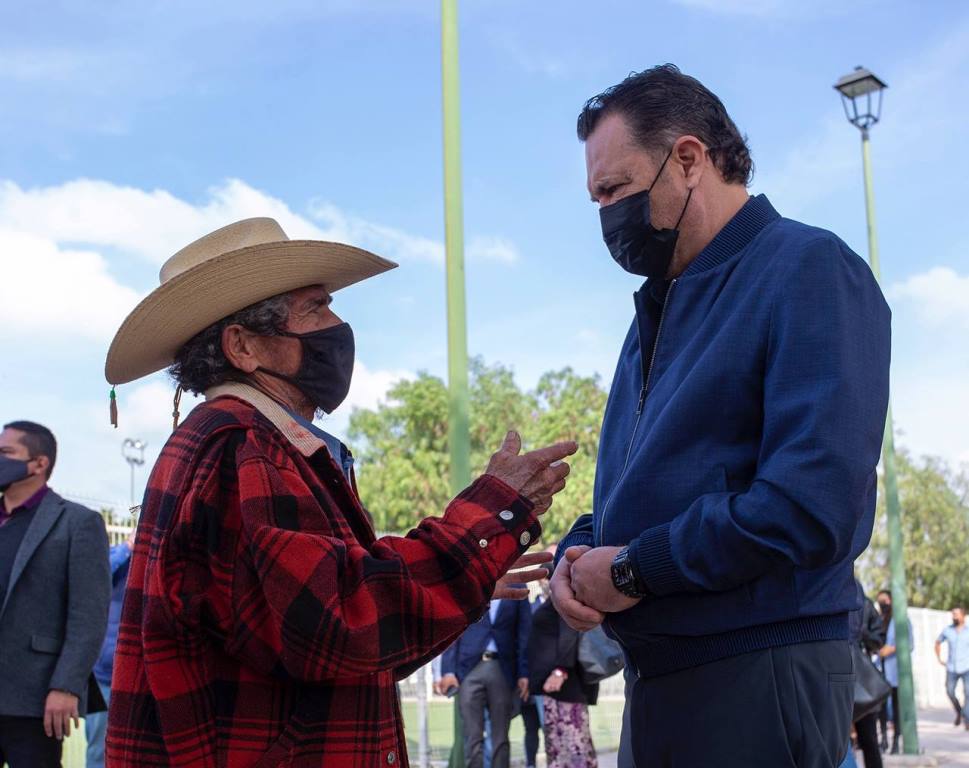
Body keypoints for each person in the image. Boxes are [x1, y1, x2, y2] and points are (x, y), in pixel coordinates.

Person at [104, 218, 577, 766]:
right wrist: (484, 521)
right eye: (316, 309)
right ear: (244, 346)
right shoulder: (241, 443)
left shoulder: (252, 441)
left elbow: (342, 640)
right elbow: (335, 622)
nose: (337, 324)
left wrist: (462, 578)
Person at [549, 64, 891, 768]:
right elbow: (634, 494)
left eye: (613, 188)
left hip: (758, 669)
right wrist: (576, 555)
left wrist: (629, 571)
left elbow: (808, 505)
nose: (605, 214)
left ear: (686, 159)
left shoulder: (807, 268)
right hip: (663, 677)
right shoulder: (655, 309)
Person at [0, 421, 110, 768]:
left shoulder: (77, 523)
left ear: (39, 463)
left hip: (35, 699)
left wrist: (66, 686)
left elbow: (88, 616)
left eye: (6, 453)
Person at [439, 595, 532, 768]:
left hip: (502, 669)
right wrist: (448, 671)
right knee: (472, 736)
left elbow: (524, 634)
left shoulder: (519, 590)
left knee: (500, 737)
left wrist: (524, 673)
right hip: (468, 670)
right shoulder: (469, 585)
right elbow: (453, 628)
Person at [84, 529, 135, 768]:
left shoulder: (156, 560)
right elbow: (96, 578)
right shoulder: (116, 555)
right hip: (104, 675)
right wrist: (127, 548)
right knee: (98, 748)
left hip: (137, 676)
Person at [528, 599, 599, 768]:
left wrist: (561, 670)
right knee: (561, 748)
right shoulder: (557, 598)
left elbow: (570, 631)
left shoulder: (564, 597)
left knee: (574, 747)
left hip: (565, 684)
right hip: (554, 685)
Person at [848, 582, 886, 768]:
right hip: (833, 676)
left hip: (859, 678)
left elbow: (878, 640)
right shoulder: (822, 593)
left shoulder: (864, 602)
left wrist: (863, 634)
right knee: (838, 744)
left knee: (869, 741)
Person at [876, 589, 913, 754]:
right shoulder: (878, 619)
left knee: (897, 709)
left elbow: (909, 644)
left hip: (895, 672)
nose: (882, 604)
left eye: (884, 600)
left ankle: (896, 741)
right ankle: (883, 739)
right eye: (879, 601)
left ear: (891, 601)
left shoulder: (901, 620)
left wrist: (890, 649)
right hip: (879, 671)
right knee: (881, 708)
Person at [935, 605, 969, 730]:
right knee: (950, 691)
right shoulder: (947, 630)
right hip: (952, 668)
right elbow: (937, 642)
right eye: (953, 614)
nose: (954, 616)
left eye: (956, 614)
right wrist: (939, 658)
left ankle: (967, 718)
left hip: (966, 667)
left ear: (963, 615)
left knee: (968, 693)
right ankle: (959, 711)